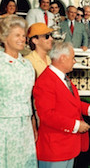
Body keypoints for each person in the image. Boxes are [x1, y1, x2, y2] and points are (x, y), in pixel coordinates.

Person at [33, 42, 90, 168]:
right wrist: (76, 125)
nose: (74, 61)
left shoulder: (63, 78)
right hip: (54, 150)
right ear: (63, 58)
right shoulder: (45, 81)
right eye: (73, 58)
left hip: (67, 148)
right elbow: (47, 116)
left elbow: (74, 104)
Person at [0, 15, 37, 167]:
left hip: (25, 126)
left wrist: (33, 123)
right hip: (4, 126)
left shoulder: (27, 65)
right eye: (17, 35)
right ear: (4, 37)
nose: (22, 39)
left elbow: (30, 98)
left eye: (23, 35)